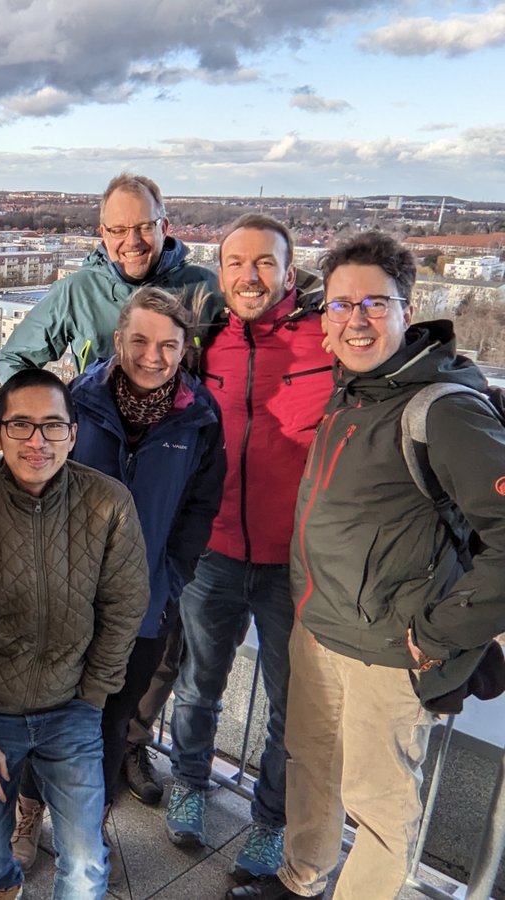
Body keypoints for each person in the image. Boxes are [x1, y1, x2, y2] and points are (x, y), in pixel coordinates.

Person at [228, 233, 505, 900]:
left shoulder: (440, 408)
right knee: (311, 772)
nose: (355, 320)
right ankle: (300, 880)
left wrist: (438, 634)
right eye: (341, 304)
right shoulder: (357, 390)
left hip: (389, 652)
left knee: (380, 813)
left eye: (374, 304)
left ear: (409, 308)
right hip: (320, 630)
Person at [7, 287, 226, 867]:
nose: (152, 356)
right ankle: (28, 814)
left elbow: (199, 510)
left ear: (185, 350)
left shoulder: (200, 417)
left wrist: (171, 579)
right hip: (63, 601)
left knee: (111, 721)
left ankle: (88, 826)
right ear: (118, 339)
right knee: (46, 713)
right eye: (140, 341)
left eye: (168, 346)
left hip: (144, 606)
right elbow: (36, 488)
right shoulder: (76, 401)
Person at [0, 367, 149, 899]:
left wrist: (92, 695)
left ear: (74, 433)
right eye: (20, 426)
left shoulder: (109, 503)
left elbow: (124, 606)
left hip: (72, 705)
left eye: (52, 425)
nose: (37, 441)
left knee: (88, 861)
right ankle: (1, 885)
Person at [165, 214, 332, 883]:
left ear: (290, 272)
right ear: (220, 270)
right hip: (216, 552)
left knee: (293, 711)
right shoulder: (204, 341)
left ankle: (269, 825)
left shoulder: (328, 338)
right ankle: (188, 784)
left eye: (265, 263)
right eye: (236, 263)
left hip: (297, 564)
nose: (249, 276)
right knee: (199, 684)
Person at [0, 172, 219, 383]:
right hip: (98, 423)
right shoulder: (77, 293)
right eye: (119, 230)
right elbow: (14, 361)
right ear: (103, 234)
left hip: (185, 422)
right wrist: (52, 414)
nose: (133, 241)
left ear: (164, 228)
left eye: (144, 227)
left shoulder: (204, 288)